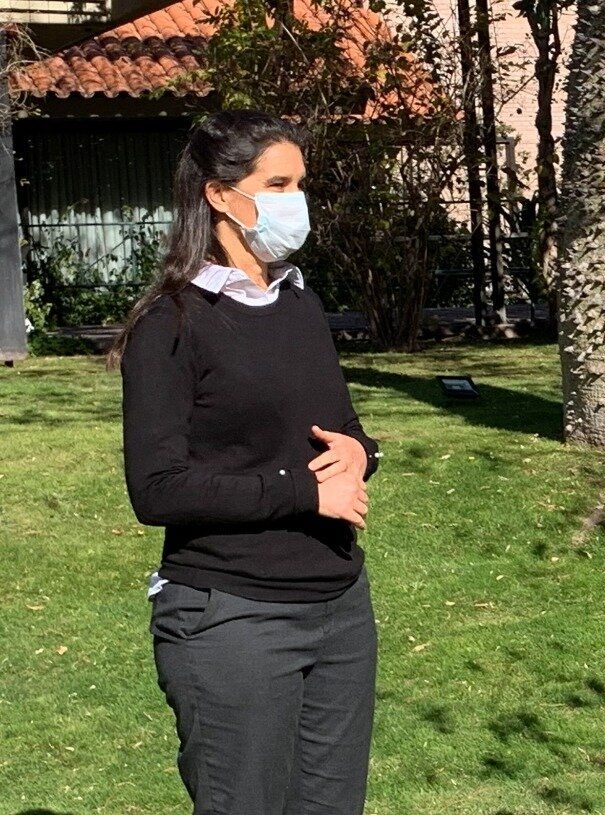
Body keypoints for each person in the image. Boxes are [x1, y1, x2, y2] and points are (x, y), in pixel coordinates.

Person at [109, 110, 380, 815]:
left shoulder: (300, 305)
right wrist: (301, 494)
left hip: (340, 610)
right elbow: (157, 489)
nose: (297, 201)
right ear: (219, 194)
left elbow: (341, 430)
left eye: (301, 184)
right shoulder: (171, 324)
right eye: (278, 184)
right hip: (233, 618)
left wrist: (363, 452)